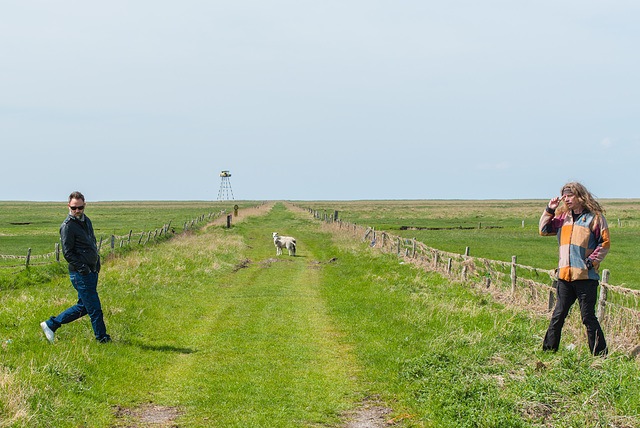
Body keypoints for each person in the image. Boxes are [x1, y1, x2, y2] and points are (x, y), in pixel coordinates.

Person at [539, 182, 609, 356]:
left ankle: (599, 354)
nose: (566, 199)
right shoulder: (563, 218)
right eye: (565, 196)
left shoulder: (595, 218)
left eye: (570, 196)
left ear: (580, 196)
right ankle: (548, 351)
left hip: (586, 277)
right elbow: (543, 229)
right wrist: (550, 209)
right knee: (558, 315)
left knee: (588, 317)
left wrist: (591, 262)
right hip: (564, 276)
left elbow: (605, 243)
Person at [40, 191, 111, 343]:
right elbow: (68, 253)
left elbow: (92, 243)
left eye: (80, 208)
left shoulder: (87, 221)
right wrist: (83, 268)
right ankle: (102, 339)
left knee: (84, 307)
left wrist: (96, 264)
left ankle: (51, 325)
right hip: (80, 274)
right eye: (74, 208)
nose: (77, 211)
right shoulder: (67, 226)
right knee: (95, 309)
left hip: (91, 271)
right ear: (68, 206)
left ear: (84, 206)